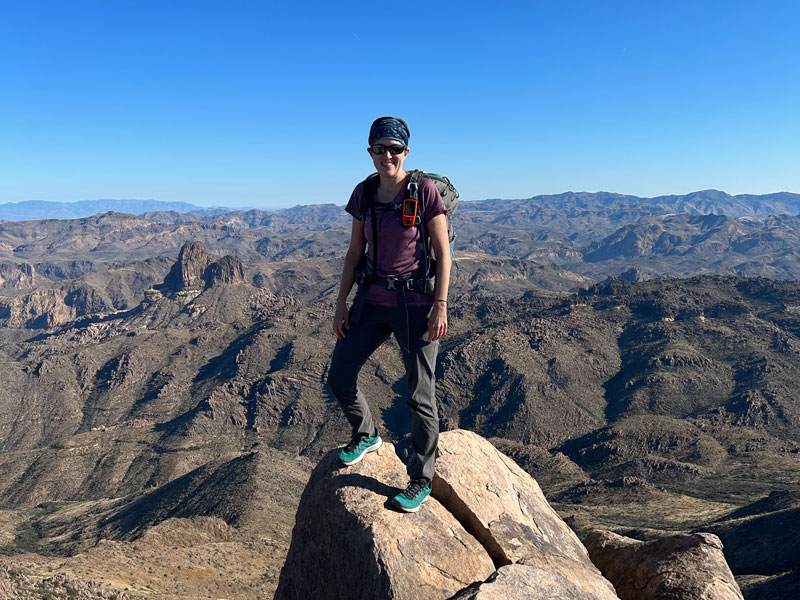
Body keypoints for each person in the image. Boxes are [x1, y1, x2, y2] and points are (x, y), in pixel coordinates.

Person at [327, 116, 450, 513]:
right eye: (380, 149)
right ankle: (365, 433)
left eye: (395, 149)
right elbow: (354, 253)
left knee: (420, 396)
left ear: (406, 153)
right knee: (340, 375)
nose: (387, 156)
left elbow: (444, 253)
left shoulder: (424, 192)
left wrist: (440, 305)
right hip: (372, 299)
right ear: (370, 152)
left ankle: (421, 478)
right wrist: (341, 301)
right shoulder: (363, 194)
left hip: (415, 304)